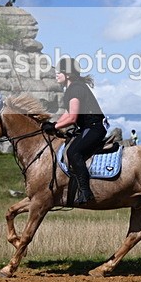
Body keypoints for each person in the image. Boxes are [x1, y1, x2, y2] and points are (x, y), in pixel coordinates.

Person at [43, 56, 106, 205]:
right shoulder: (73, 88)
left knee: (73, 152)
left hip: (94, 128)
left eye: (59, 72)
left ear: (68, 74)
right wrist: (55, 124)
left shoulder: (76, 89)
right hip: (87, 128)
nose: (56, 74)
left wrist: (55, 127)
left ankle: (85, 192)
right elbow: (67, 113)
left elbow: (72, 118)